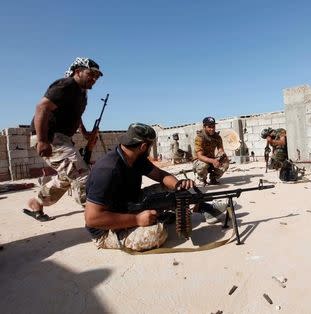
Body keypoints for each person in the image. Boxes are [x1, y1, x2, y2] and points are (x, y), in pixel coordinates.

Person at [84, 123, 228, 251]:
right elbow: (92, 219)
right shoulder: (107, 170)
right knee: (157, 233)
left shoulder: (134, 157)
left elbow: (160, 175)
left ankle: (203, 208)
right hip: (106, 229)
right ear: (143, 146)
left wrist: (179, 185)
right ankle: (154, 220)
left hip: (131, 204)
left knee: (174, 191)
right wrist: (137, 220)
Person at [24, 57, 103, 222]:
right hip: (51, 136)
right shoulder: (66, 85)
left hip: (63, 138)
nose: (94, 78)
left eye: (97, 76)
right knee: (82, 175)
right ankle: (98, 220)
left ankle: (38, 202)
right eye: (91, 74)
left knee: (66, 177)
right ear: (78, 71)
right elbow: (42, 107)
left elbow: (76, 116)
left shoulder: (82, 94)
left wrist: (86, 133)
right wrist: (42, 140)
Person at [193, 117, 229, 185]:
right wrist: (213, 161)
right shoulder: (200, 137)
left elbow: (220, 150)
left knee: (225, 162)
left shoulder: (217, 137)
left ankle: (213, 178)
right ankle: (202, 179)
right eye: (209, 127)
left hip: (212, 159)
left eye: (213, 126)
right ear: (204, 127)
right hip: (200, 161)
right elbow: (200, 156)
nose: (212, 129)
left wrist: (223, 157)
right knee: (203, 165)